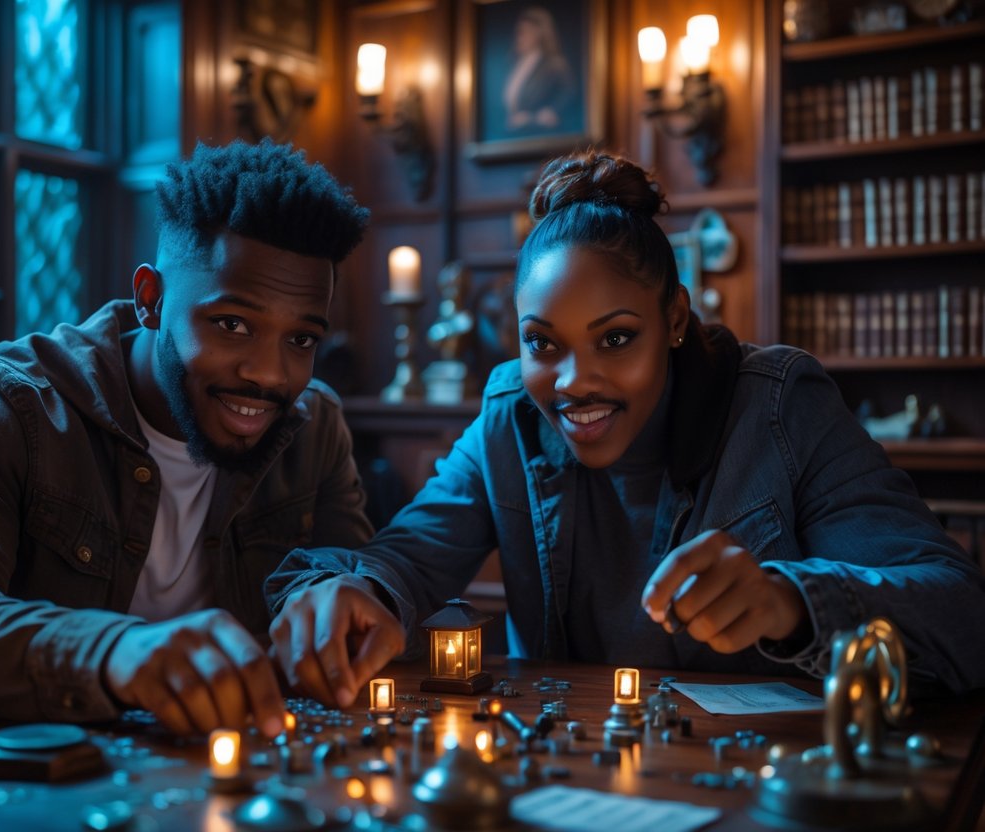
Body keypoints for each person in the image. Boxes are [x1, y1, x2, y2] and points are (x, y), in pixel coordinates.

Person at [265, 149, 985, 710]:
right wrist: (355, 596)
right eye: (542, 343)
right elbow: (406, 557)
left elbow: (961, 613)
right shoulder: (509, 414)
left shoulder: (778, 405)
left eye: (614, 340)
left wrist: (788, 601)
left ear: (675, 320)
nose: (572, 380)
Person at [0, 139, 373, 739]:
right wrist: (115, 653)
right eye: (233, 325)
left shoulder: (313, 427)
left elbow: (351, 582)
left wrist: (347, 602)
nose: (268, 374)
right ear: (150, 299)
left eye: (301, 341)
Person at [503, 6, 573, 134]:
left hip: (540, 136)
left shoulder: (554, 64)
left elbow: (568, 96)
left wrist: (533, 118)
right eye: (519, 32)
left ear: (540, 34)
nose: (520, 38)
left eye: (526, 32)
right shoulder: (512, 64)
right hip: (512, 136)